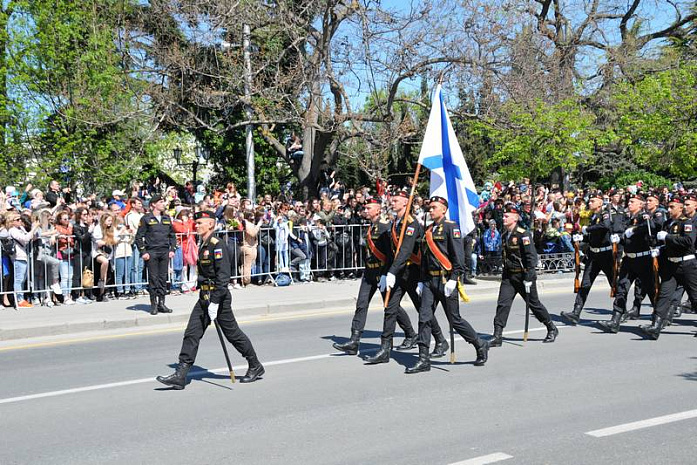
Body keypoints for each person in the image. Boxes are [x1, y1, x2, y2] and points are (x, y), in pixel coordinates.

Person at [156, 210, 264, 389]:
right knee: (192, 333)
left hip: (218, 298)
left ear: (211, 225)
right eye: (196, 223)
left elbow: (223, 277)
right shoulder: (204, 243)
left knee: (233, 334)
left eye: (200, 223)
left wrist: (215, 302)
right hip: (204, 297)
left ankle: (255, 365)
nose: (196, 225)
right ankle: (181, 374)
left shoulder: (217, 244)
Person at [405, 196, 489, 374]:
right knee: (424, 318)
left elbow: (459, 257)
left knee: (455, 320)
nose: (431, 210)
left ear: (443, 209)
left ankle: (480, 344)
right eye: (430, 207)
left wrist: (454, 278)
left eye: (434, 207)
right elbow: (425, 259)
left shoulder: (451, 227)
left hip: (445, 280)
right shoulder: (428, 230)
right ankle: (423, 358)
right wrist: (421, 280)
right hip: (429, 281)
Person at [365, 192, 447, 364]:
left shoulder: (411, 224)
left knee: (423, 310)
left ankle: (440, 340)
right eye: (391, 200)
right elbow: (391, 254)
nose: (392, 203)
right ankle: (385, 348)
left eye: (395, 201)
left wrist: (391, 273)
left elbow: (405, 252)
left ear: (405, 203)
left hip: (413, 273)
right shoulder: (395, 224)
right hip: (398, 273)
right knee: (390, 308)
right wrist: (386, 273)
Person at [332, 198, 419, 356]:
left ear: (378, 210)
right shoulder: (371, 226)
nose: (365, 210)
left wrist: (387, 273)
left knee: (391, 307)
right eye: (365, 207)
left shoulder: (385, 226)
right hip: (369, 272)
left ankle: (411, 333)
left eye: (369, 208)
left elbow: (390, 254)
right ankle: (354, 339)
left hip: (381, 272)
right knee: (361, 304)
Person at [490, 204, 558, 347]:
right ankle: (497, 335)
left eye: (507, 216)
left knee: (534, 304)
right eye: (504, 215)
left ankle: (551, 327)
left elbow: (531, 257)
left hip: (523, 275)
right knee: (503, 304)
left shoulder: (523, 234)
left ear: (515, 218)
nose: (504, 218)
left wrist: (529, 277)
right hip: (509, 276)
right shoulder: (504, 235)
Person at [639, 195, 697, 339]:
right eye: (668, 206)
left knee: (694, 296)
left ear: (680, 208)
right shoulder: (668, 223)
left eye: (672, 207)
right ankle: (656, 326)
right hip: (671, 265)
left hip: (687, 265)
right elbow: (665, 243)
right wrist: (657, 247)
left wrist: (667, 237)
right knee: (664, 295)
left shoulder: (687, 222)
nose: (669, 209)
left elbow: (688, 241)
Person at [598, 193, 657, 333]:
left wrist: (635, 230)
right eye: (629, 202)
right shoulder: (627, 218)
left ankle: (657, 320)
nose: (629, 204)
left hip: (643, 259)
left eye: (632, 202)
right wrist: (618, 237)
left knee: (650, 290)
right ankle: (615, 320)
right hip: (629, 259)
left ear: (640, 205)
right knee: (621, 288)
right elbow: (623, 233)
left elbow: (651, 227)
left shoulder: (644, 217)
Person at [560, 192, 617, 324]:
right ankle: (576, 312)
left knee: (613, 283)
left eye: (592, 201)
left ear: (600, 202)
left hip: (605, 254)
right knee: (585, 283)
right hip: (593, 254)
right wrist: (582, 237)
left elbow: (605, 226)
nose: (590, 203)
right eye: (589, 201)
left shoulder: (604, 214)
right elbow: (592, 235)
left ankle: (620, 310)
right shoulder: (593, 217)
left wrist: (588, 229)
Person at [135, 194, 176, 315]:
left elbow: (172, 236)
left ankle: (161, 303)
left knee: (163, 278)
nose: (163, 204)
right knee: (153, 278)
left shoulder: (166, 218)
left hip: (164, 251)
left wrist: (172, 249)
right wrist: (143, 252)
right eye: (161, 202)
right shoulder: (146, 219)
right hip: (152, 251)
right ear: (153, 204)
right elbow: (139, 237)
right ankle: (153, 304)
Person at [8, 213, 40, 308]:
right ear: (12, 222)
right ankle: (19, 299)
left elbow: (31, 237)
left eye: (20, 219)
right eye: (17, 220)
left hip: (23, 256)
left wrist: (35, 228)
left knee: (23, 279)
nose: (20, 221)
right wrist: (34, 228)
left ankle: (21, 298)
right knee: (19, 279)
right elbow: (25, 239)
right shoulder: (12, 230)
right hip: (18, 257)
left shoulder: (20, 229)